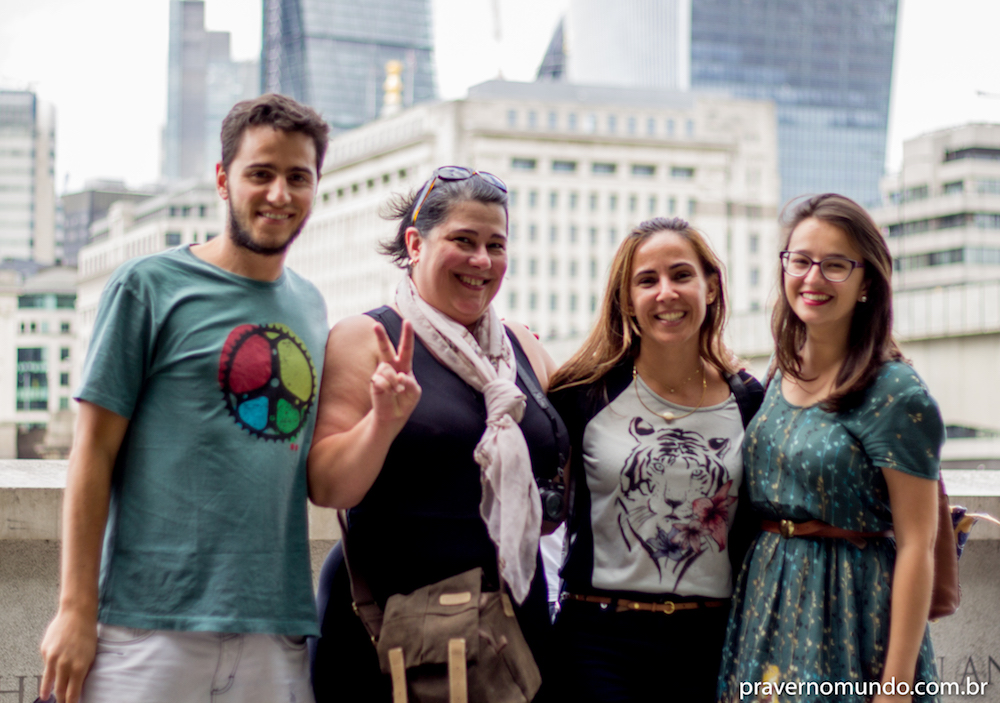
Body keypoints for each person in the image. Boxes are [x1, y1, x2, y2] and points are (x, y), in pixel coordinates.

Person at [38, 93, 331, 703]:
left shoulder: (312, 306)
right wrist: (74, 610)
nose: (279, 193)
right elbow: (90, 453)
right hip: (147, 632)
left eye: (297, 177)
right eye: (261, 173)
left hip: (275, 634)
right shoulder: (148, 286)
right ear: (224, 180)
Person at [307, 166, 568, 701]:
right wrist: (383, 420)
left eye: (496, 245)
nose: (481, 261)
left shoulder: (519, 345)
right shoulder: (368, 337)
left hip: (510, 622)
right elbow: (329, 487)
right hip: (401, 632)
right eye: (463, 241)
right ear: (415, 243)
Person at [717, 194, 944, 703]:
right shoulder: (779, 373)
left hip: (850, 610)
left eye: (836, 265)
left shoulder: (895, 391)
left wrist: (895, 687)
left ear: (867, 283)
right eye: (800, 261)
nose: (813, 279)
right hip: (765, 605)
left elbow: (916, 545)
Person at [547, 217, 763, 703]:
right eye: (647, 280)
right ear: (627, 300)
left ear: (710, 287)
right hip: (598, 643)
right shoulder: (582, 396)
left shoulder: (748, 398)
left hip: (712, 642)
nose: (666, 292)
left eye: (681, 275)